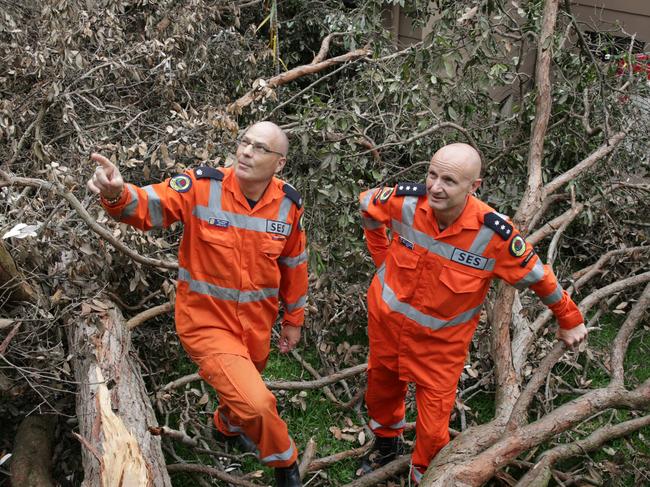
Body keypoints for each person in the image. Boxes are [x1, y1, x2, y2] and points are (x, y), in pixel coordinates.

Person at [87, 121, 307, 487]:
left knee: (240, 388)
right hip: (205, 323)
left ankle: (224, 428)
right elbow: (149, 207)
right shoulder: (203, 187)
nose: (246, 152)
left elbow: (294, 265)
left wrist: (293, 319)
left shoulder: (288, 205)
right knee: (258, 404)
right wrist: (117, 194)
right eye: (244, 143)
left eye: (259, 148)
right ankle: (286, 464)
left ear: (279, 163)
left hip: (256, 325)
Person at [358, 143, 587, 484]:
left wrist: (569, 318)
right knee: (380, 394)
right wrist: (381, 260)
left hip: (439, 350)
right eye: (432, 174)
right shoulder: (405, 202)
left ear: (473, 186)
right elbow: (366, 203)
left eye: (449, 180)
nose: (435, 186)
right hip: (386, 330)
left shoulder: (492, 235)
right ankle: (385, 445)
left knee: (434, 432)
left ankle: (425, 476)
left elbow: (539, 276)